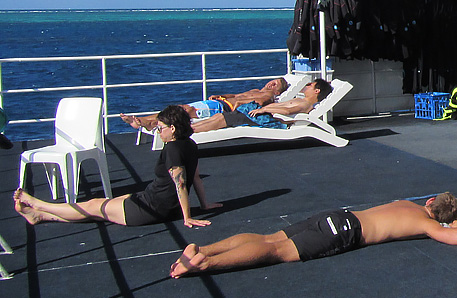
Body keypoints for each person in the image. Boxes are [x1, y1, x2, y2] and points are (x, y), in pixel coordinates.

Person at [169, 192, 457, 277]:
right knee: (276, 252)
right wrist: (456, 223)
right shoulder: (426, 224)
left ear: (430, 201)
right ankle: (204, 264)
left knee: (270, 238)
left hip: (339, 215)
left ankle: (203, 250)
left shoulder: (406, 203)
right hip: (348, 231)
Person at [14, 104, 219, 228]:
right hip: (157, 203)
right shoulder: (189, 144)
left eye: (161, 128)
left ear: (172, 128)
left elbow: (181, 184)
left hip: (151, 208)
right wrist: (204, 205)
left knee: (94, 206)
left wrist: (187, 218)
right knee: (101, 207)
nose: (158, 132)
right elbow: (195, 178)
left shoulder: (172, 150)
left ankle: (40, 205)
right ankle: (40, 215)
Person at [120, 77, 289, 131]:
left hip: (223, 108)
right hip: (219, 102)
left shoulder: (268, 95)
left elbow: (259, 103)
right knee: (181, 109)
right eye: (272, 81)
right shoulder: (256, 89)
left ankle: (148, 122)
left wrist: (238, 102)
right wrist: (222, 95)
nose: (271, 84)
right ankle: (149, 121)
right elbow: (236, 95)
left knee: (185, 110)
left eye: (275, 85)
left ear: (277, 91)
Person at [190, 79, 331, 133]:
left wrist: (264, 109)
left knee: (222, 120)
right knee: (220, 116)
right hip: (258, 113)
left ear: (317, 91)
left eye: (310, 85)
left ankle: (189, 132)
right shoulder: (300, 99)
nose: (307, 85)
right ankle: (188, 129)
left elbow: (287, 111)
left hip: (263, 118)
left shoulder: (305, 104)